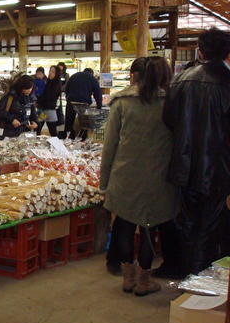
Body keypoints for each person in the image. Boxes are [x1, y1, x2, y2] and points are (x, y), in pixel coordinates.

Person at [100, 57, 176, 296]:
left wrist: (104, 181)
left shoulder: (122, 102)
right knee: (149, 228)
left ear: (135, 76)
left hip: (125, 174)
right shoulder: (172, 102)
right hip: (159, 176)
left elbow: (109, 144)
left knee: (123, 226)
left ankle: (127, 279)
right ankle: (144, 281)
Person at [163, 27, 230, 275]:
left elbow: (168, 119)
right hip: (217, 169)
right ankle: (198, 283)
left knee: (188, 223)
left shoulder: (181, 79)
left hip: (183, 165)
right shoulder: (226, 82)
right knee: (210, 227)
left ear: (200, 51)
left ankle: (186, 277)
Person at [63, 68, 102, 139]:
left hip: (71, 102)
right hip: (83, 103)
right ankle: (82, 140)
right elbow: (97, 92)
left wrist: (68, 98)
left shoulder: (74, 76)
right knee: (84, 124)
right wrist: (99, 106)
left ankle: (68, 138)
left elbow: (66, 88)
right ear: (91, 73)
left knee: (69, 122)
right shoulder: (91, 78)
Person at [36, 65, 63, 137]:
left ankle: (57, 146)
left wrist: (38, 100)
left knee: (52, 131)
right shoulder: (48, 82)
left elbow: (49, 97)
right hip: (44, 110)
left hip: (49, 111)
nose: (50, 73)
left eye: (53, 72)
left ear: (57, 74)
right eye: (50, 71)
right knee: (38, 129)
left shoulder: (56, 83)